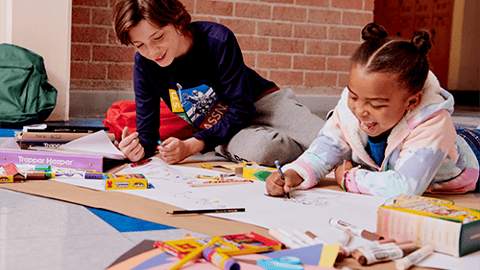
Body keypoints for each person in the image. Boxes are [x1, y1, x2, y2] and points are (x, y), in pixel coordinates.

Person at [266, 23, 480, 198]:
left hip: (471, 153)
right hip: (438, 142)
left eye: (376, 105)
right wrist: (293, 174)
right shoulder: (356, 105)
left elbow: (405, 187)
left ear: (412, 101)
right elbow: (327, 146)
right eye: (353, 96)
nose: (359, 110)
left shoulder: (432, 122)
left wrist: (348, 178)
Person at [112, 0, 325, 166]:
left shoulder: (217, 40)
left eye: (158, 37)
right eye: (140, 45)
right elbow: (148, 134)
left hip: (262, 103)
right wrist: (137, 149)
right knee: (264, 150)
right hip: (221, 128)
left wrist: (194, 144)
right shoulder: (144, 65)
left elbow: (241, 107)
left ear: (176, 21)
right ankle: (310, 153)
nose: (152, 52)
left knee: (326, 136)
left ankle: (314, 144)